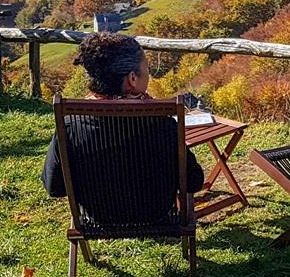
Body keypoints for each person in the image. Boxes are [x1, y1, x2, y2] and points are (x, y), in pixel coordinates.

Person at [41, 32, 204, 198]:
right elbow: (193, 181)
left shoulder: (71, 125)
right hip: (157, 217)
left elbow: (54, 187)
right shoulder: (162, 123)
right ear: (132, 78)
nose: (149, 74)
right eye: (146, 69)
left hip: (98, 220)